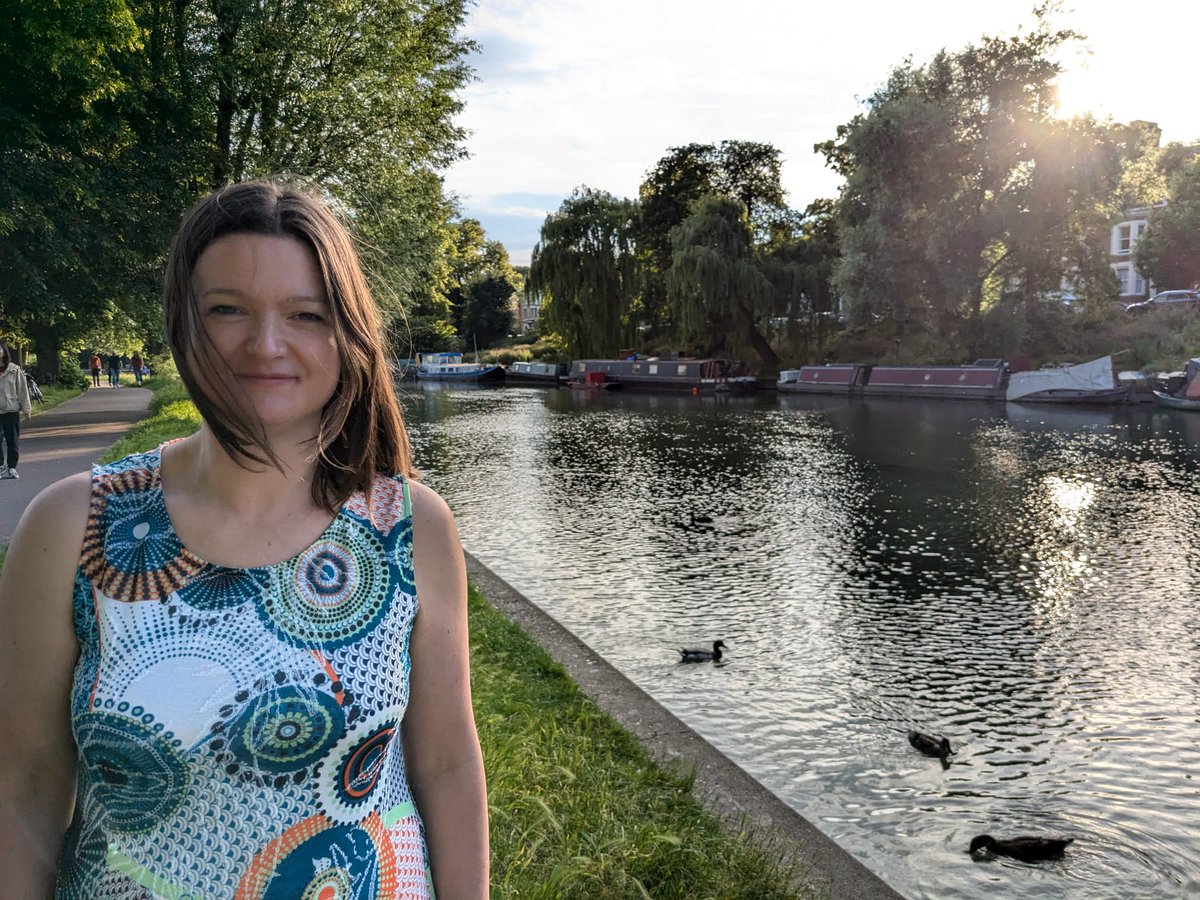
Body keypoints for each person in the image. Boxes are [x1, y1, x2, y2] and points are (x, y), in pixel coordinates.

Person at [0, 180, 489, 897]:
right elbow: (25, 782)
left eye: (306, 314)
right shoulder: (73, 527)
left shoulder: (409, 528)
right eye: (227, 310)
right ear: (181, 323)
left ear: (347, 334)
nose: (265, 345)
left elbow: (446, 765)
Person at [0, 343, 33, 479]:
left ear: (4, 352)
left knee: (12, 440)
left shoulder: (14, 370)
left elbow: (22, 390)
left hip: (11, 409)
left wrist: (26, 408)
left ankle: (12, 467)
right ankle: (1, 465)